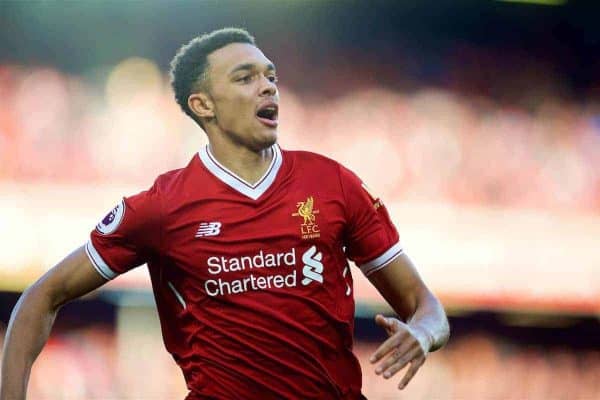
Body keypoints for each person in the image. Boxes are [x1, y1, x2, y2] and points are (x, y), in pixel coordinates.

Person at [1, 28, 449, 400]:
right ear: (203, 105)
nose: (268, 85)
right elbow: (42, 296)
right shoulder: (163, 207)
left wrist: (423, 334)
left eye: (270, 75)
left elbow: (427, 308)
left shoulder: (333, 184)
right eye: (245, 77)